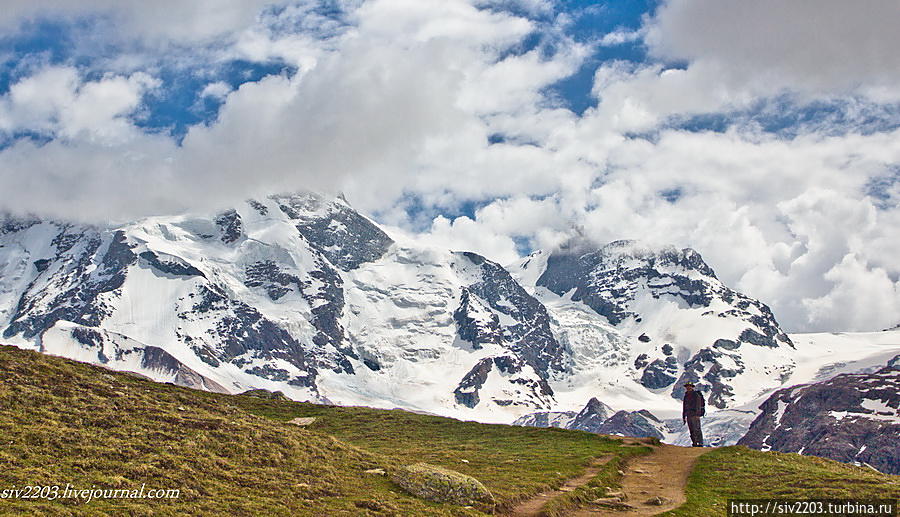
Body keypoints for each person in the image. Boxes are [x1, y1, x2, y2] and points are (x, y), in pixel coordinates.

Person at [682, 382, 705, 447]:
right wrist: (684, 416)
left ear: (692, 387)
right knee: (691, 430)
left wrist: (698, 414)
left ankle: (700, 443)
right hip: (689, 415)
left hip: (695, 415)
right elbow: (684, 407)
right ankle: (694, 443)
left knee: (697, 429)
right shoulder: (686, 396)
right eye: (687, 386)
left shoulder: (696, 395)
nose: (688, 387)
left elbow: (698, 405)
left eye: (689, 386)